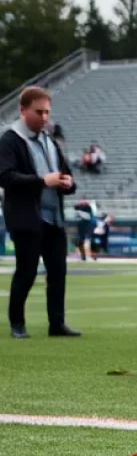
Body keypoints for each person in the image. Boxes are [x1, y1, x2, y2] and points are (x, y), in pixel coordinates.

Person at [0, 86, 78, 338]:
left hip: (53, 216)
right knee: (27, 270)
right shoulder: (10, 140)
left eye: (47, 112)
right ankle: (17, 323)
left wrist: (68, 183)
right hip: (26, 217)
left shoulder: (49, 140)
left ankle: (57, 323)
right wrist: (43, 180)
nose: (44, 117)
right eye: (39, 112)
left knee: (58, 271)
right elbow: (6, 177)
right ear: (23, 110)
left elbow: (64, 173)